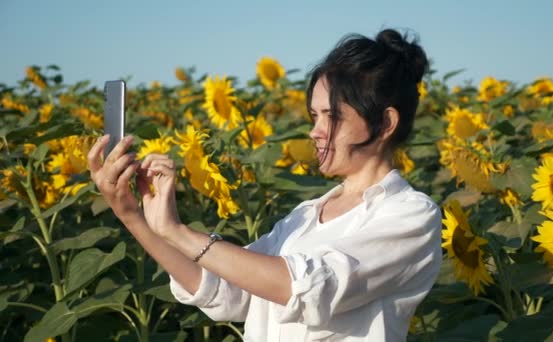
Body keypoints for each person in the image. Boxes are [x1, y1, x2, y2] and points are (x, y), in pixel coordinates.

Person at [88, 28, 442, 341]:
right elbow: (224, 291)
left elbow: (305, 288)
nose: (315, 131)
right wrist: (134, 215)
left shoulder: (409, 216)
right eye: (314, 115)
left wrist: (179, 232)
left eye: (332, 116)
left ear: (385, 123)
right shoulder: (304, 217)